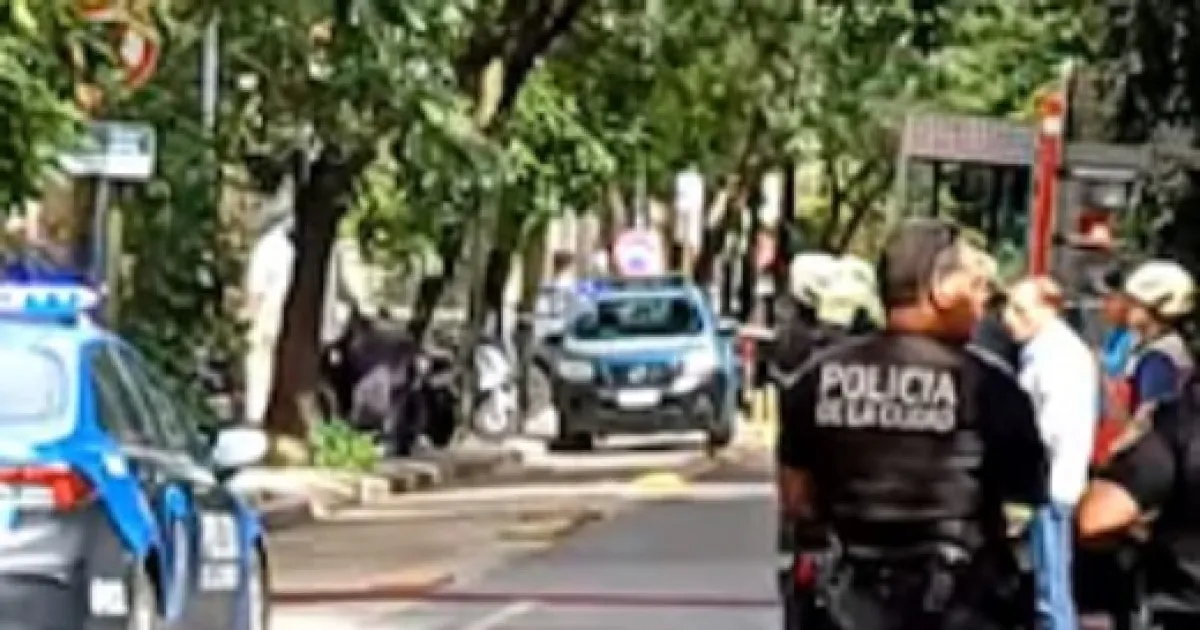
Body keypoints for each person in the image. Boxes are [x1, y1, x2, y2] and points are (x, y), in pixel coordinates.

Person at [775, 218, 1047, 629]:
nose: (983, 303)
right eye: (976, 286)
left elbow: (797, 498)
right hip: (958, 604)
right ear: (940, 289)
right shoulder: (988, 387)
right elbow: (1026, 493)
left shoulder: (815, 380)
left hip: (846, 604)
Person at [1076, 260, 1198, 630]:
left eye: (1135, 303)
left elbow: (1147, 420)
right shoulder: (1160, 351)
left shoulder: (1159, 358)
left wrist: (1117, 462)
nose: (1127, 309)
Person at [1002, 276, 1098, 630]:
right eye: (1008, 308)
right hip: (1052, 481)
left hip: (1051, 485)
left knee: (1051, 593)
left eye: (1020, 310)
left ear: (1050, 309)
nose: (1009, 318)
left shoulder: (1056, 356)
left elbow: (1050, 430)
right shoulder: (1049, 351)